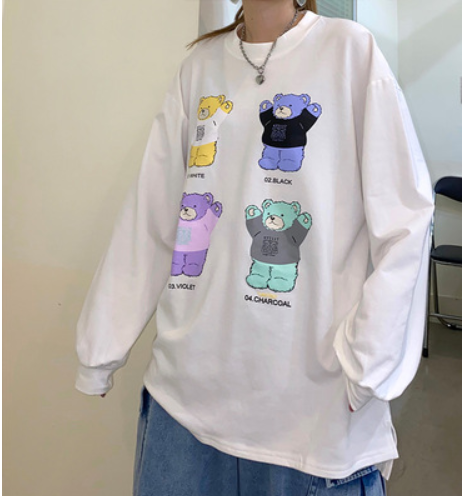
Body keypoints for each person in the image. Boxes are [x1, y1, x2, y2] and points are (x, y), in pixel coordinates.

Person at [75, 0, 435, 494]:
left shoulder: (350, 52)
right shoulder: (199, 68)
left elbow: (406, 219)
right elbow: (151, 217)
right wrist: (101, 348)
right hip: (183, 408)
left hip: (311, 419)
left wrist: (367, 364)